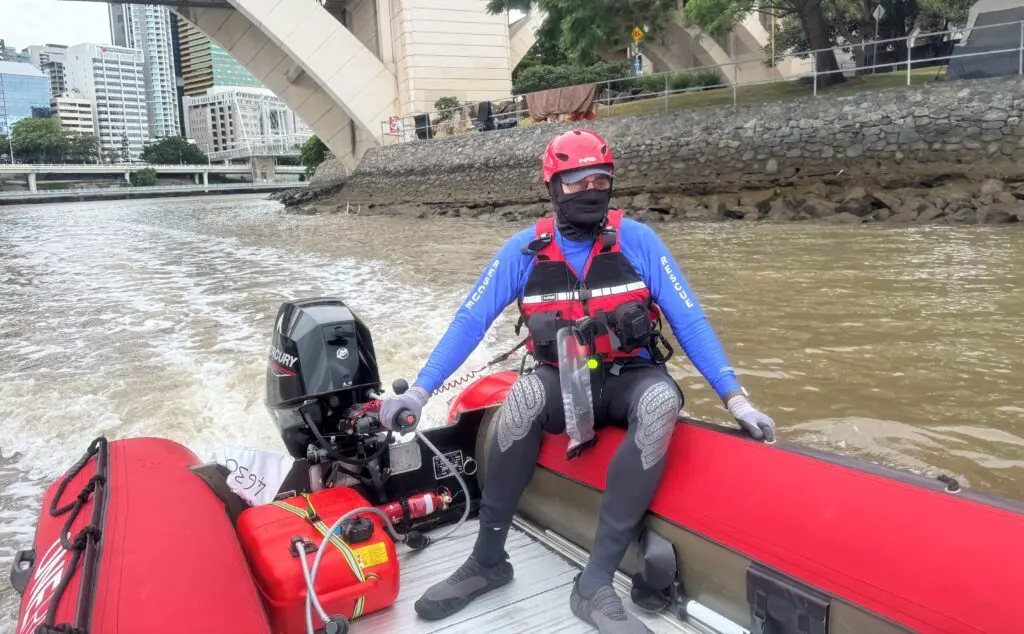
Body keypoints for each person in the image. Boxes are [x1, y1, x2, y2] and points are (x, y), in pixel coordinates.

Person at [379, 128, 776, 634]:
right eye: (576, 181)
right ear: (553, 187)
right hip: (560, 382)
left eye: (600, 179)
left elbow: (690, 320)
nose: (589, 190)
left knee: (659, 403)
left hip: (631, 377)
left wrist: (735, 398)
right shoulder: (524, 250)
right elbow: (469, 321)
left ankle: (594, 584)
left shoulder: (640, 241)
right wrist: (420, 390)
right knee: (521, 397)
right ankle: (488, 560)